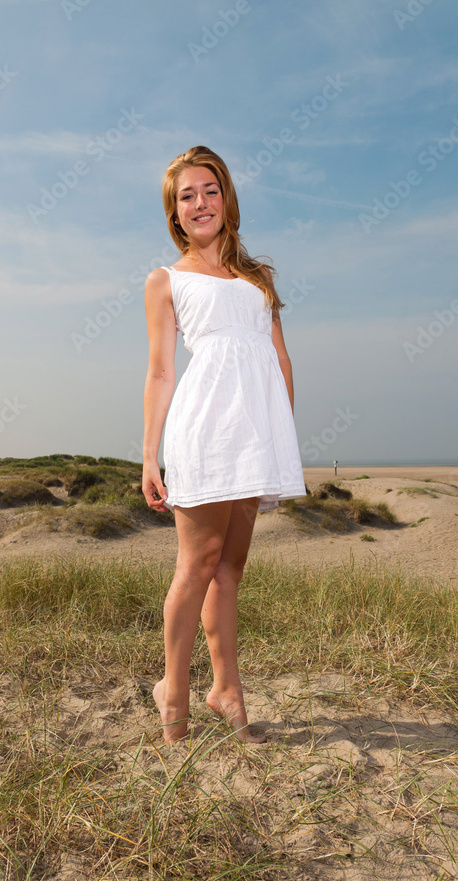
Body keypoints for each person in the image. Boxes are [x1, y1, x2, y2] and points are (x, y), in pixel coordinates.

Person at [142, 145, 306, 745]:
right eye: (187, 195)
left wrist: (279, 439)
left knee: (230, 570)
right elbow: (161, 373)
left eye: (209, 190)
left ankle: (226, 688)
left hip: (255, 437)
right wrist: (149, 455)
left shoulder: (258, 278)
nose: (200, 202)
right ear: (175, 213)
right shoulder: (166, 281)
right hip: (204, 431)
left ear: (227, 197)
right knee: (196, 565)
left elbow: (280, 359)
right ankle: (174, 691)